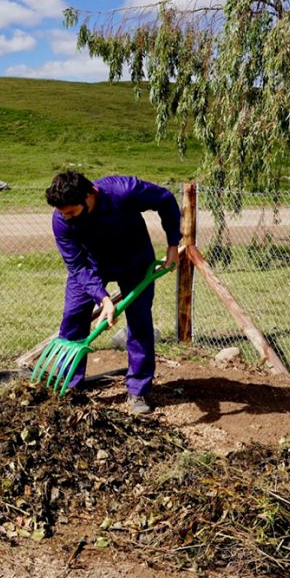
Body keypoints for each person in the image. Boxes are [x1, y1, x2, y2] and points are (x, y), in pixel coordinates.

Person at [44, 170, 182, 414]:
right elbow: (77, 266)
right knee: (73, 319)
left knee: (139, 322)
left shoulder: (124, 191)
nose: (66, 218)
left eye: (71, 212)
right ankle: (70, 387)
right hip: (92, 266)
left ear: (88, 197)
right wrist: (102, 298)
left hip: (135, 262)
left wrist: (173, 244)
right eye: (62, 213)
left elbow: (165, 199)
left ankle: (138, 390)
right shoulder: (61, 220)